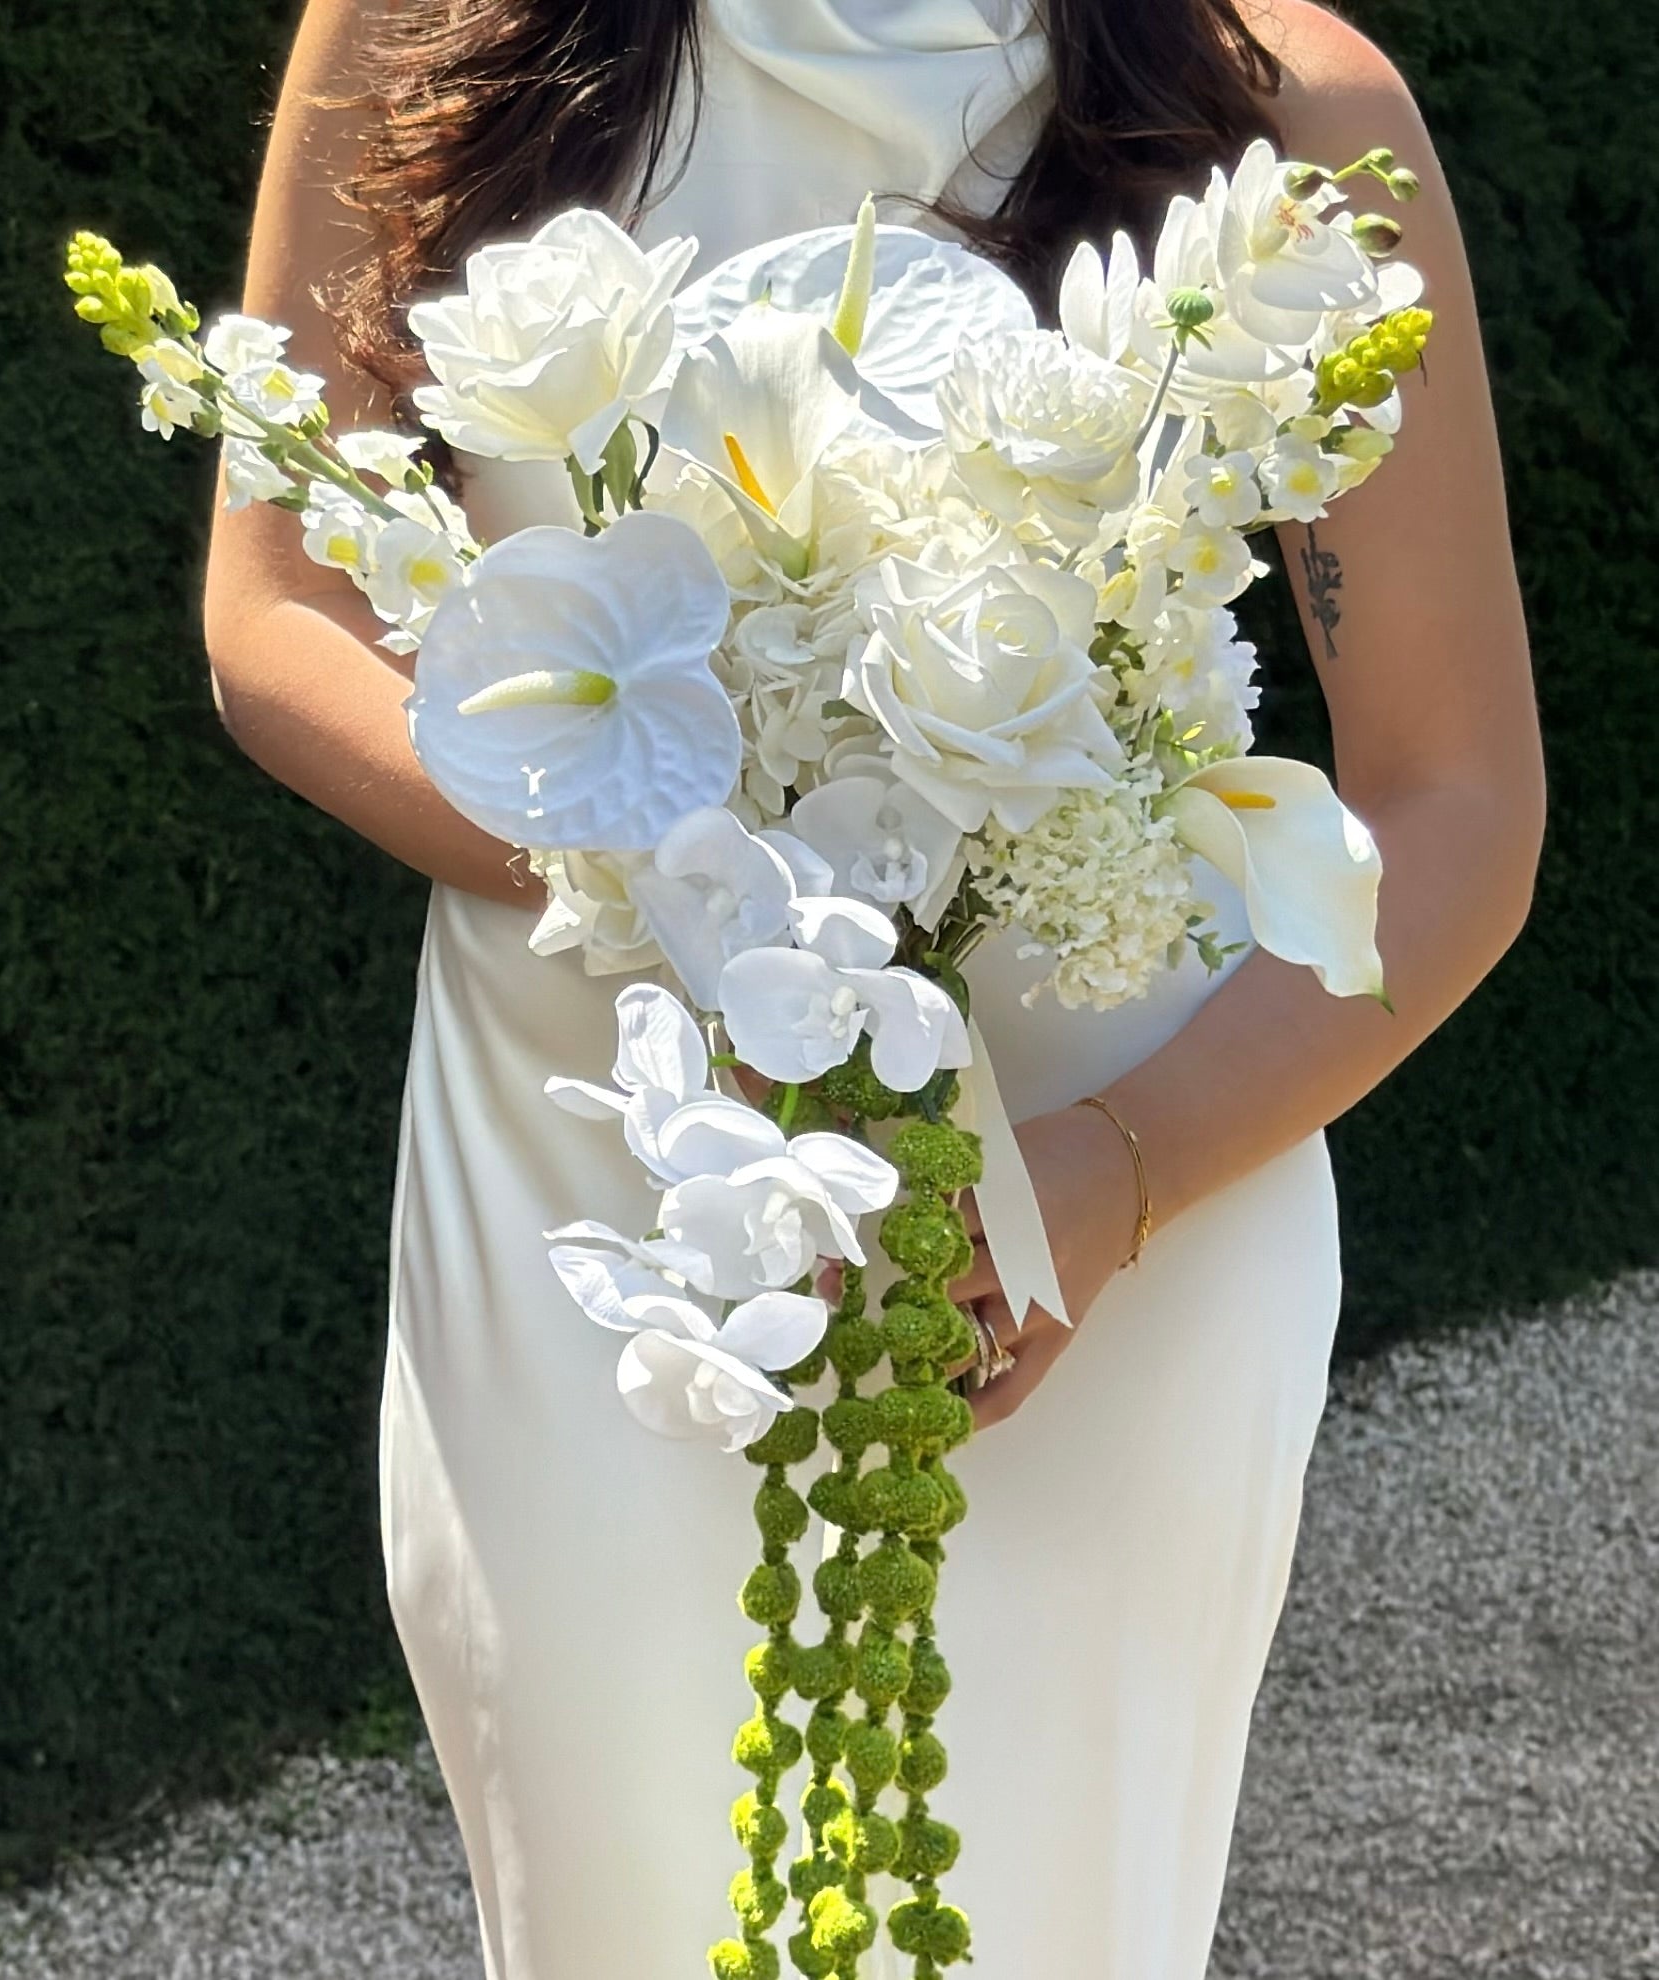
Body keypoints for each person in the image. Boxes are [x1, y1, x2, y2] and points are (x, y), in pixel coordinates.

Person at [201, 2, 1543, 1973]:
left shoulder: (1283, 107)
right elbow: (279, 607)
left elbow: (1456, 801)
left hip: (1098, 1241)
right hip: (600, 1189)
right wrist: (694, 898)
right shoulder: (429, 26)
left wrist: (1117, 1169)